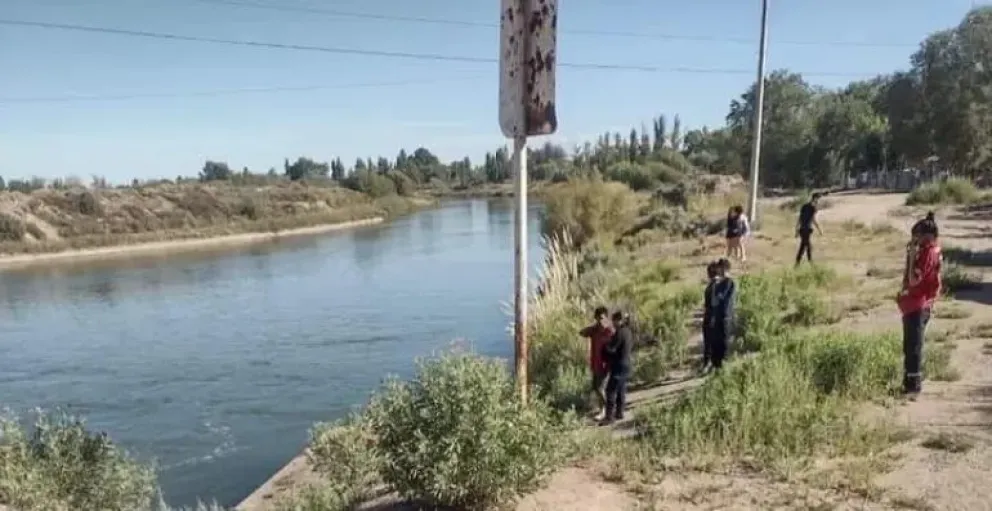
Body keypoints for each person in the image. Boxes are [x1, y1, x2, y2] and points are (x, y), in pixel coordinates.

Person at [897, 218, 941, 399]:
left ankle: (913, 387)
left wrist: (911, 259)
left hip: (918, 304)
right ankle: (909, 382)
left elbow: (914, 280)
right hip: (916, 303)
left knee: (914, 345)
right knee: (910, 345)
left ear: (926, 237)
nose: (914, 241)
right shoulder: (930, 251)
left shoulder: (927, 254)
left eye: (916, 237)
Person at [579, 306, 614, 420]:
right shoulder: (595, 330)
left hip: (605, 364)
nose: (600, 321)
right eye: (598, 318)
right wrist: (594, 327)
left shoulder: (610, 330)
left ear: (606, 317)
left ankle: (606, 410)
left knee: (600, 388)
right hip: (595, 363)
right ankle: (603, 408)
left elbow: (616, 344)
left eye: (602, 318)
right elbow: (582, 332)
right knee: (595, 387)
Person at [703, 258, 736, 370]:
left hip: (724, 317)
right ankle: (716, 365)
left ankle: (721, 366)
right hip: (718, 317)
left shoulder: (728, 282)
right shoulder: (718, 284)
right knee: (716, 343)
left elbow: (722, 300)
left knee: (723, 342)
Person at [602, 310, 633, 424]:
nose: (613, 323)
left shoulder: (620, 333)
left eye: (614, 320)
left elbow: (612, 349)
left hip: (619, 365)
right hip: (627, 364)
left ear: (619, 320)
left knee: (610, 390)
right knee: (621, 389)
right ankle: (619, 412)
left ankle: (609, 417)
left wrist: (605, 346)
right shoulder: (628, 331)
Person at [700, 261, 719, 373]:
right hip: (715, 317)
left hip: (710, 317)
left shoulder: (712, 286)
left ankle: (707, 365)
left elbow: (711, 304)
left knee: (708, 343)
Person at [795, 193, 823, 266]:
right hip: (807, 229)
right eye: (818, 199)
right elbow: (813, 219)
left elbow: (799, 218)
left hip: (802, 229)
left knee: (804, 246)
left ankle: (797, 264)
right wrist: (819, 229)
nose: (819, 201)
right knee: (808, 246)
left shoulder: (804, 206)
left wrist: (797, 229)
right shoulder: (813, 208)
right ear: (815, 198)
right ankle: (811, 263)